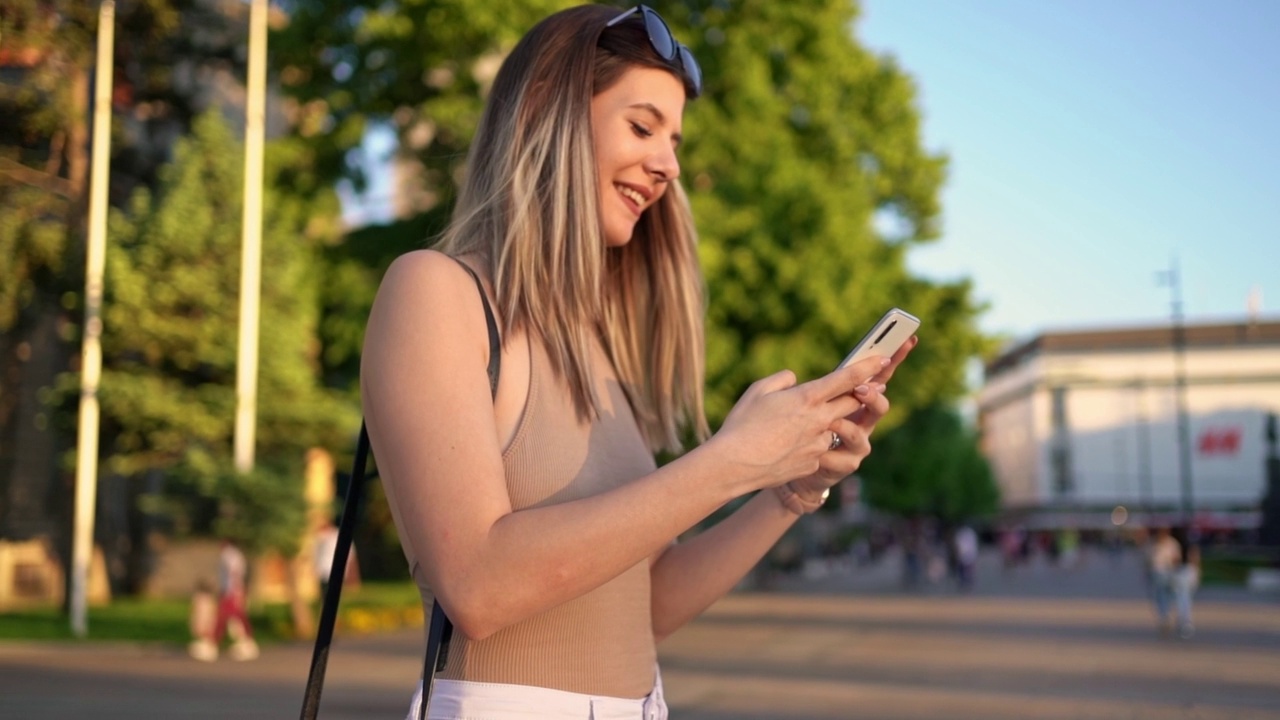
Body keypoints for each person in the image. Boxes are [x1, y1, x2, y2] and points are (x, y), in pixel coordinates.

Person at [360, 5, 916, 719]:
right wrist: (731, 460)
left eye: (675, 140)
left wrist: (788, 488)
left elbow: (649, 602)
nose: (669, 165)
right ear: (544, 112)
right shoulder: (435, 292)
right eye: (643, 126)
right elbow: (477, 586)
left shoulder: (601, 344)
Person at [213, 538, 259, 661]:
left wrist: (234, 590)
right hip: (232, 589)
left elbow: (234, 573)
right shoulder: (236, 555)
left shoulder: (230, 554)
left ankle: (214, 642)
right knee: (236, 616)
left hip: (231, 590)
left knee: (226, 616)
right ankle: (245, 641)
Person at [1147, 526, 1182, 635]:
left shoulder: (1172, 543)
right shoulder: (1153, 544)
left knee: (1167, 595)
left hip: (1168, 573)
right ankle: (1164, 616)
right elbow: (1148, 560)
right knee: (1160, 596)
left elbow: (1176, 559)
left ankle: (1167, 615)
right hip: (1157, 573)